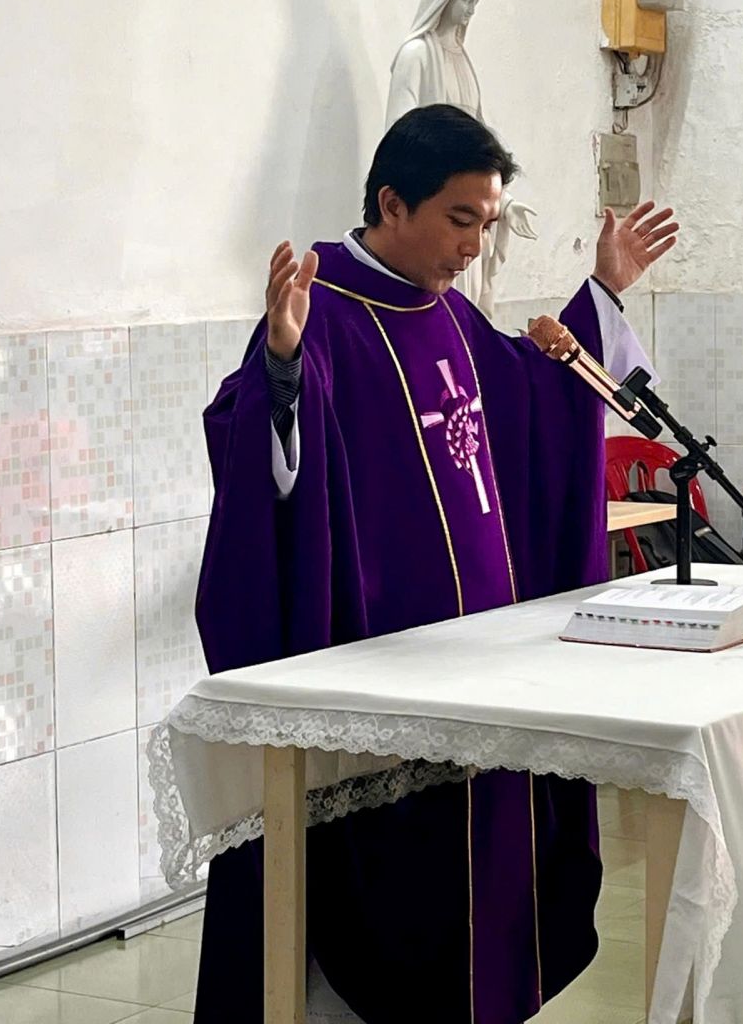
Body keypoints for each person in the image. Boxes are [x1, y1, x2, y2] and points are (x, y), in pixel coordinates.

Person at [193, 104, 679, 1024]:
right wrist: (283, 364)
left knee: (473, 909)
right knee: (379, 917)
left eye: (486, 224)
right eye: (460, 220)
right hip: (380, 689)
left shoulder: (450, 313)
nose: (474, 247)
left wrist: (604, 293)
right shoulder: (319, 307)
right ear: (392, 203)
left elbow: (539, 400)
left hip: (480, 680)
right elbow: (255, 454)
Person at [384, 0, 539, 317]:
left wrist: (503, 202)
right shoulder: (416, 55)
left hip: (465, 215)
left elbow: (479, 151)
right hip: (435, 211)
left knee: (465, 316)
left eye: (475, 2)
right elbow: (399, 138)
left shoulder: (462, 61)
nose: (470, 11)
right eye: (466, 0)